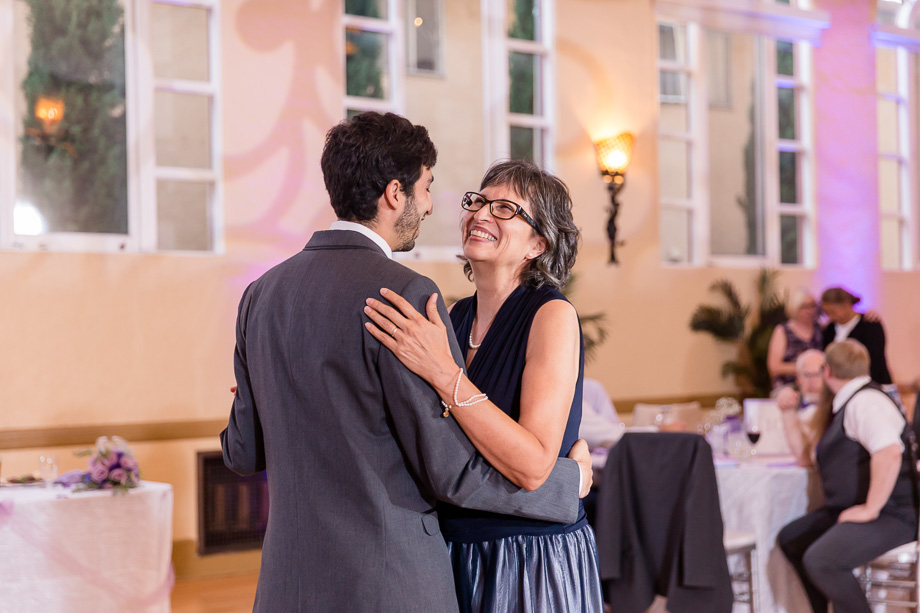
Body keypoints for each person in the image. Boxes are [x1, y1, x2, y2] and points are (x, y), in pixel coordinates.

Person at [220, 113, 592, 613]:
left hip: (292, 582)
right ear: (396, 194)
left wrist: (260, 395)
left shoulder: (260, 293)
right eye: (429, 187)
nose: (436, 205)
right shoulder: (409, 299)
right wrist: (567, 485)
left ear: (538, 243)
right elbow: (450, 471)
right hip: (387, 579)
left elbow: (241, 452)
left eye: (504, 208)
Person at [364, 160, 604, 612]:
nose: (479, 214)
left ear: (538, 243)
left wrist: (444, 374)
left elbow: (533, 466)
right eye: (477, 201)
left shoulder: (551, 316)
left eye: (505, 208)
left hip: (528, 557)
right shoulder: (455, 317)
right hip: (453, 550)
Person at [776, 340, 918, 613]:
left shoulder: (866, 401)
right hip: (856, 509)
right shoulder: (844, 403)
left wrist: (870, 508)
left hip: (895, 514)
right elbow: (807, 458)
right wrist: (788, 414)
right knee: (792, 539)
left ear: (827, 371)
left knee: (822, 561)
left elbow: (889, 453)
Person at [820, 286, 893, 387]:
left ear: (846, 304)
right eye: (826, 313)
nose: (830, 316)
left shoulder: (869, 324)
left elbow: (875, 358)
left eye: (833, 312)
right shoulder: (829, 329)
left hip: (872, 382)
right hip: (840, 385)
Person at [767, 288, 823, 389]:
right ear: (795, 308)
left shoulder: (821, 329)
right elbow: (774, 367)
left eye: (812, 305)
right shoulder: (783, 330)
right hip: (788, 385)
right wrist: (805, 369)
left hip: (816, 385)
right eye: (805, 307)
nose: (810, 310)